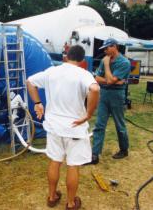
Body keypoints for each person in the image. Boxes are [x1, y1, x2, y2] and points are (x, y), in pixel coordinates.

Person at [26, 45, 100, 210]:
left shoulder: (52, 71)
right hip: (74, 128)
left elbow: (30, 82)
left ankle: (52, 197)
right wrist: (88, 115)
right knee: (73, 165)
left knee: (55, 161)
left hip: (54, 128)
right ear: (82, 60)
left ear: (66, 56)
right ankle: (71, 203)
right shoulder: (84, 74)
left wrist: (38, 103)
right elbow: (95, 88)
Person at [87, 38, 131, 165]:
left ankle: (124, 149)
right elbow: (96, 78)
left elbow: (110, 80)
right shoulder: (105, 59)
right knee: (99, 124)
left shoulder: (124, 62)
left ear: (115, 47)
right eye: (104, 49)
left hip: (117, 95)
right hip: (104, 93)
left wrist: (106, 66)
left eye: (107, 48)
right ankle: (95, 155)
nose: (105, 51)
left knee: (119, 124)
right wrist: (112, 80)